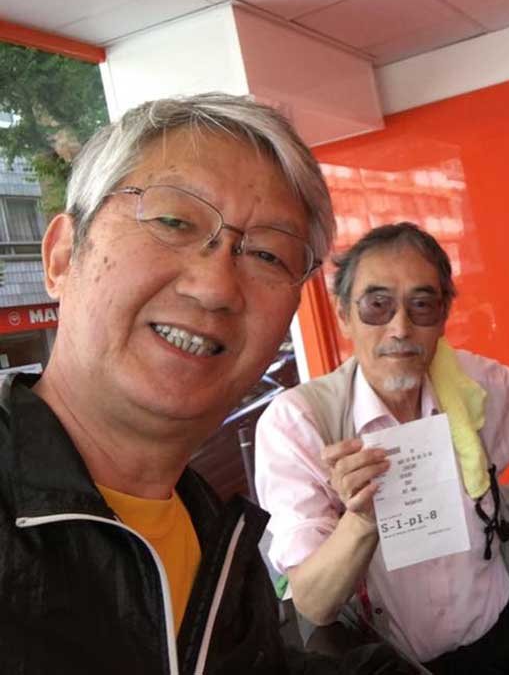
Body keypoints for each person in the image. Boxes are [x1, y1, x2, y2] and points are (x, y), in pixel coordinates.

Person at [0, 93, 355, 674]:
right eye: (173, 221)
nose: (215, 288)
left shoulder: (223, 546)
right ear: (63, 256)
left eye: (269, 255)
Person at [254, 222, 509, 675]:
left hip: (500, 640)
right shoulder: (301, 423)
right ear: (344, 314)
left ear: (443, 316)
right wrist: (360, 521)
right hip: (389, 662)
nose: (400, 328)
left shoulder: (475, 386)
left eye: (421, 305)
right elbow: (314, 603)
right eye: (377, 305)